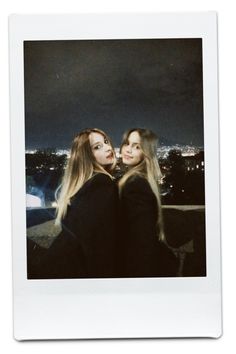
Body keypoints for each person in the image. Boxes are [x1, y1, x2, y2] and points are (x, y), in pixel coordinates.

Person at [29, 128, 119, 279]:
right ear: (86, 156)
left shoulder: (84, 184)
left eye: (105, 141)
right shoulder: (102, 183)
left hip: (58, 267)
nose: (108, 148)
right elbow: (100, 243)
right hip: (73, 272)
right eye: (97, 147)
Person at [117, 128, 178, 277]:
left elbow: (142, 238)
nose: (128, 150)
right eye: (127, 143)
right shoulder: (140, 179)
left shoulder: (135, 184)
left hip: (139, 267)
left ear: (146, 153)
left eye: (137, 147)